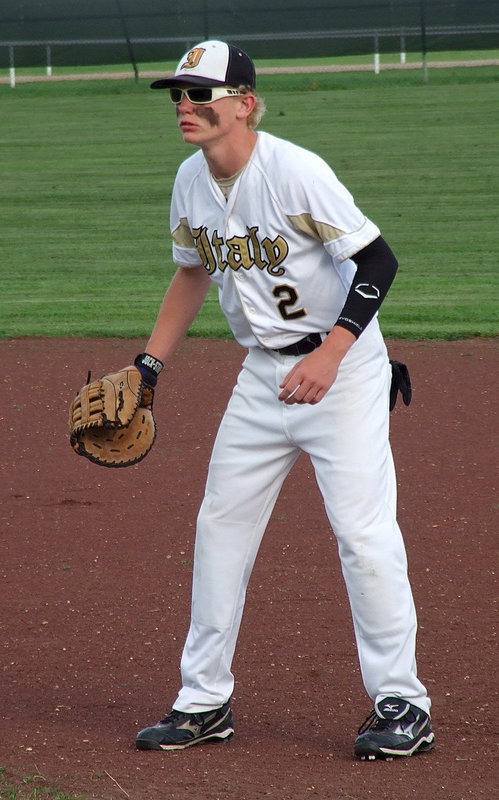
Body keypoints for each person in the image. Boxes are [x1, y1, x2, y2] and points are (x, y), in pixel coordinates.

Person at [133, 40, 434, 760]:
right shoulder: (189, 181)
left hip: (344, 370)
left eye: (199, 94)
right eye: (177, 94)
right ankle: (203, 701)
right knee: (219, 529)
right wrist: (148, 365)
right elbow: (189, 276)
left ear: (243, 102)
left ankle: (402, 703)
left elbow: (377, 259)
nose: (185, 106)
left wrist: (333, 353)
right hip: (261, 376)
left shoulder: (295, 171)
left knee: (362, 536)